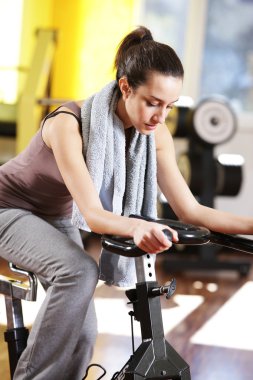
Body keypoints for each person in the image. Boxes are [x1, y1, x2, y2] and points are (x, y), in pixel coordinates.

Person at [0, 25, 253, 380]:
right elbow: (94, 215)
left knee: (84, 331)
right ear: (125, 87)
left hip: (54, 216)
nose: (160, 116)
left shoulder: (154, 133)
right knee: (79, 272)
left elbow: (191, 211)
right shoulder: (67, 124)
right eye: (152, 102)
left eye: (169, 106)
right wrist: (139, 226)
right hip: (7, 208)